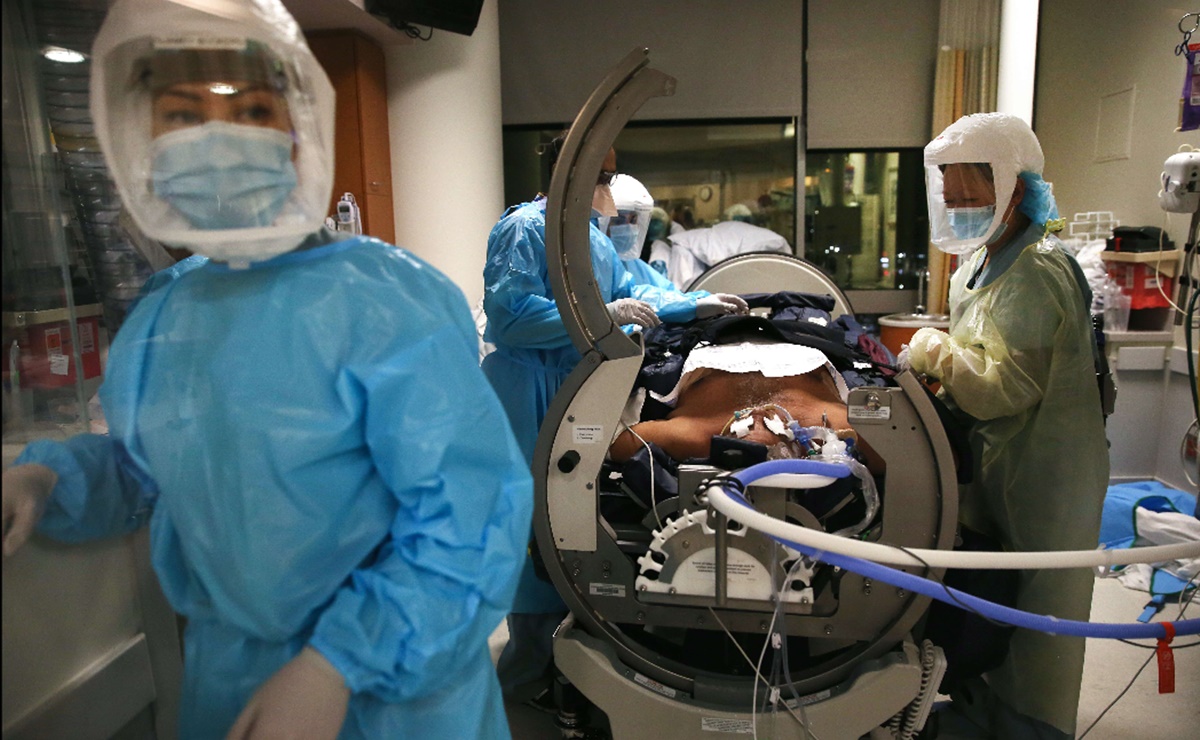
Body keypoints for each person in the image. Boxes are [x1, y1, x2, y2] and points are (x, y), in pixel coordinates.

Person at [1, 1, 531, 738]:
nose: (216, 139)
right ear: (139, 135)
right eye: (183, 115)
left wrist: (337, 664)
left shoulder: (384, 303)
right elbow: (156, 468)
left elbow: (471, 513)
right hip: (232, 682)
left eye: (248, 109)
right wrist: (50, 479)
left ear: (294, 129)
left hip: (397, 700)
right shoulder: (166, 315)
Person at [482, 141, 746, 709]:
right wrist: (599, 319)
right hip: (529, 385)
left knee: (572, 511)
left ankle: (567, 652)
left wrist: (689, 305)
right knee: (534, 522)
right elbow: (511, 316)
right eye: (596, 176)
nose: (605, 188)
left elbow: (631, 293)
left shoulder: (595, 238)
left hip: (576, 385)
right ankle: (524, 674)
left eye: (609, 175)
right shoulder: (527, 228)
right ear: (562, 173)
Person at [901, 112, 1108, 739]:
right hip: (1001, 464)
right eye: (953, 197)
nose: (960, 209)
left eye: (973, 197)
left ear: (1015, 188)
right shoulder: (978, 264)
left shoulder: (1040, 269)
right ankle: (976, 711)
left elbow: (1001, 387)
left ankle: (1030, 728)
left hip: (1047, 473)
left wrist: (932, 349)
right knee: (991, 600)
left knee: (1040, 616)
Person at [606, 173, 748, 316]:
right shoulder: (598, 258)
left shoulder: (632, 263)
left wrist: (699, 300)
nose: (628, 227)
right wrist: (693, 306)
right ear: (601, 220)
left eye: (633, 220)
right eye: (619, 220)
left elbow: (664, 292)